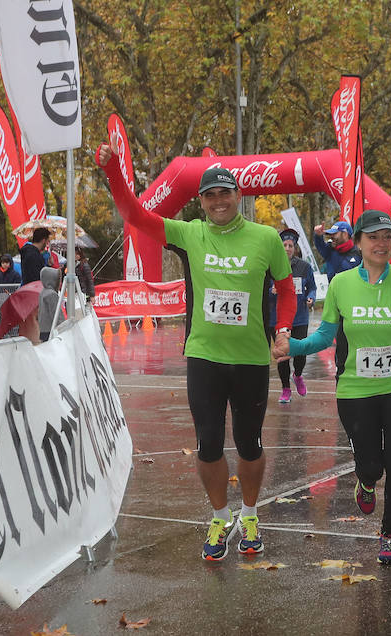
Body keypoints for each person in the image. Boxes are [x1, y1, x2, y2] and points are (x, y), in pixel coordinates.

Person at [96, 141, 296, 562]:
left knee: (249, 443)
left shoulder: (264, 238)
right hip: (204, 356)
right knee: (207, 443)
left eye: (226, 193)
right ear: (201, 201)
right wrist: (114, 170)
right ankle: (221, 517)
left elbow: (285, 287)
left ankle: (251, 514)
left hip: (250, 359)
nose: (219, 201)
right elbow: (134, 215)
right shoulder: (189, 232)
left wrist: (281, 330)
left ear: (238, 197)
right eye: (210, 195)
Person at [273, 209, 391, 564]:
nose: (381, 243)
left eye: (387, 237)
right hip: (355, 391)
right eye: (373, 237)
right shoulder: (342, 284)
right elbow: (325, 335)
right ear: (360, 242)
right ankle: (365, 481)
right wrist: (294, 348)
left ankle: (389, 534)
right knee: (371, 466)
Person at [267, 228, 317, 404]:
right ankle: (285, 388)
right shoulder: (270, 266)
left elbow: (312, 286)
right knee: (282, 356)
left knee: (300, 353)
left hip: (300, 317)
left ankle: (298, 375)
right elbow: (261, 290)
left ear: (295, 248)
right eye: (284, 245)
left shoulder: (304, 267)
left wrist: (311, 297)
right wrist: (270, 291)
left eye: (290, 245)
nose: (287, 248)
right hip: (278, 318)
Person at [38, 266, 65, 342]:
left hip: (44, 329)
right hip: (51, 329)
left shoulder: (43, 292)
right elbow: (56, 314)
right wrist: (64, 328)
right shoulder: (51, 294)